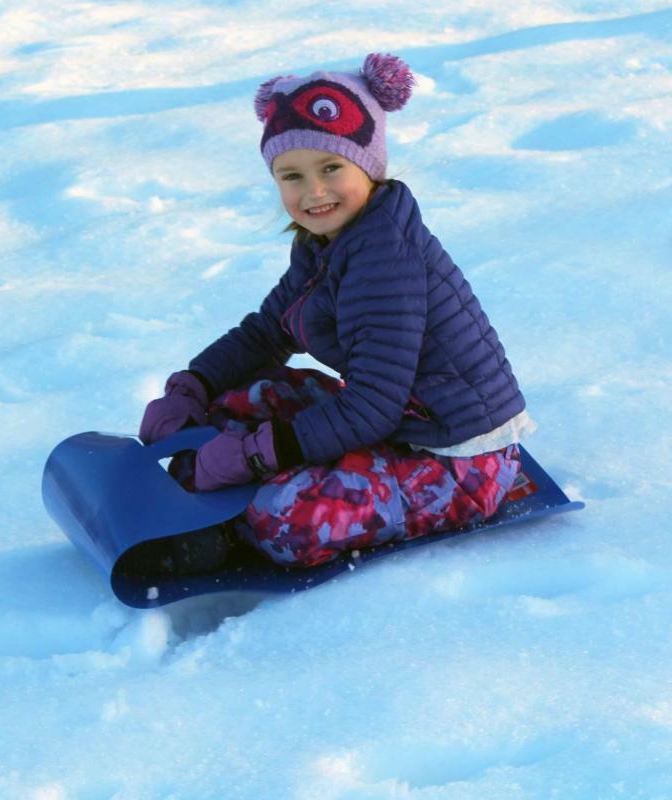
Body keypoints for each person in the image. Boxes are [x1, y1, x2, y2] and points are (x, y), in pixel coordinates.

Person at [138, 53, 536, 574]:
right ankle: (220, 476)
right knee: (246, 397)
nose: (314, 192)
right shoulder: (326, 244)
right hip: (398, 426)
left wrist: (257, 456)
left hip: (457, 461)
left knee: (287, 516)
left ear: (368, 166)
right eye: (292, 176)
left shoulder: (385, 257)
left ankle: (229, 527)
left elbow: (373, 405)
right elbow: (266, 333)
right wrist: (191, 385)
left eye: (331, 168)